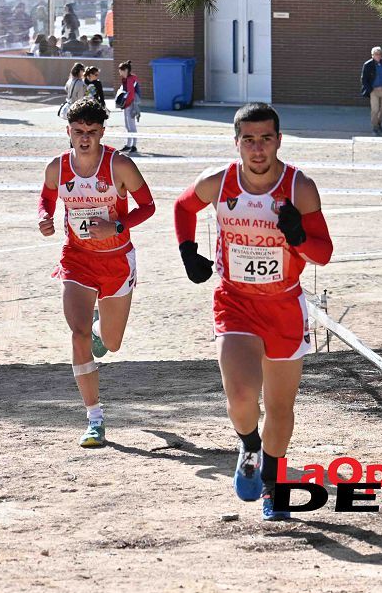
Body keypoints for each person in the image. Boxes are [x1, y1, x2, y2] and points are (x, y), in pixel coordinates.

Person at [173, 102, 334, 521]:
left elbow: (324, 253)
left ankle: (273, 487)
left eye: (266, 139)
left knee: (280, 407)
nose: (258, 149)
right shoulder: (219, 182)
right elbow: (182, 207)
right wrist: (188, 251)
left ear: (279, 140)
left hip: (284, 306)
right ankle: (248, 444)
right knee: (242, 396)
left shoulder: (299, 187)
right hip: (236, 302)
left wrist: (298, 237)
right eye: (249, 140)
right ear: (237, 142)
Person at [36, 98, 157, 447]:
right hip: (77, 259)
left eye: (91, 132)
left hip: (117, 261)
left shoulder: (119, 164)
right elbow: (46, 197)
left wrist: (117, 225)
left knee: (113, 343)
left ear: (102, 132)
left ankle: (101, 330)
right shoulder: (57, 168)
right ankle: (94, 418)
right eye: (78, 132)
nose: (85, 138)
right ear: (68, 133)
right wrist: (43, 217)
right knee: (77, 335)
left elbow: (148, 205)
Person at [360, 46, 382, 135]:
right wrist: (370, 89)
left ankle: (379, 122)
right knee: (375, 109)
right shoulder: (367, 64)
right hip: (374, 90)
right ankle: (375, 127)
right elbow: (363, 79)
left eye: (379, 54)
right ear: (372, 55)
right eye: (376, 54)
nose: (378, 56)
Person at [117, 61, 141, 154]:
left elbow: (130, 94)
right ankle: (128, 144)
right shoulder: (126, 79)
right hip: (127, 104)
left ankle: (133, 145)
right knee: (128, 125)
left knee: (131, 125)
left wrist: (125, 104)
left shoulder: (130, 79)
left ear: (125, 70)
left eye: (121, 70)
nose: (120, 72)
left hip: (130, 104)